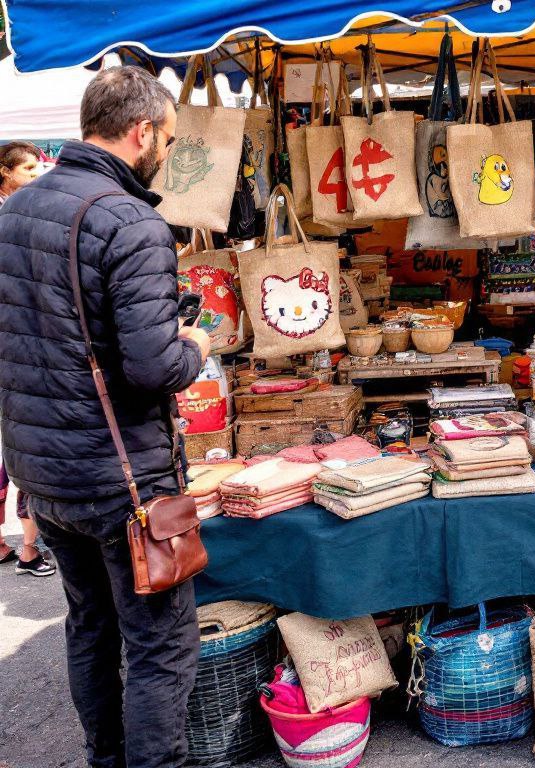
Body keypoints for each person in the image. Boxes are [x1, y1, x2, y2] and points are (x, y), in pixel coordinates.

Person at [0, 67, 212, 767]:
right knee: (159, 643)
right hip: (122, 480)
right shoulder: (131, 220)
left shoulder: (14, 210)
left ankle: (104, 758)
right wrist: (196, 345)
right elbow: (154, 367)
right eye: (168, 139)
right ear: (142, 131)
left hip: (43, 472)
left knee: (90, 623)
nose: (167, 153)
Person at [0, 141, 56, 576]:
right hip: (20, 350)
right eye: (29, 168)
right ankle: (28, 550)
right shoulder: (17, 218)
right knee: (26, 446)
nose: (38, 174)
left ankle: (15, 545)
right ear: (5, 172)